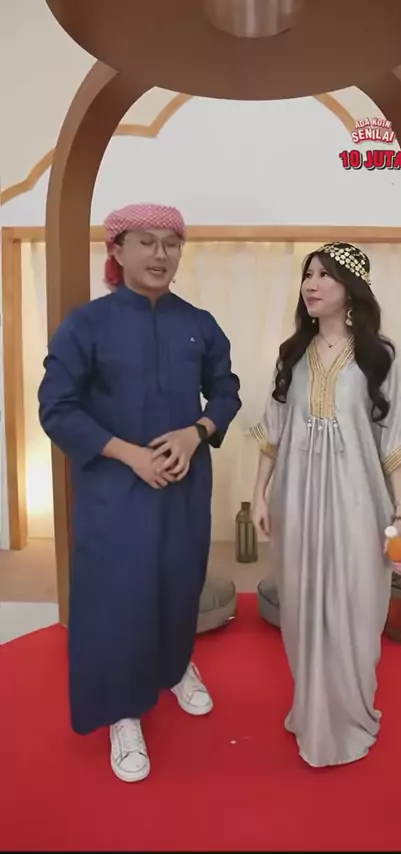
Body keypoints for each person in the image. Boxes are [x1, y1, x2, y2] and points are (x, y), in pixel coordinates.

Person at [38, 203, 241, 782]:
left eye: (171, 243)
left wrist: (196, 432)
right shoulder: (86, 325)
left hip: (182, 486)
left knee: (179, 583)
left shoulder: (199, 323)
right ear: (117, 251)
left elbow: (226, 391)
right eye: (146, 242)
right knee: (117, 599)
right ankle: (122, 713)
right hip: (113, 492)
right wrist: (129, 455)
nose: (160, 254)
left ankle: (175, 669)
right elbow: (56, 408)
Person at [251, 242, 401, 768]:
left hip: (357, 502)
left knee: (355, 601)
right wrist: (259, 493)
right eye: (308, 274)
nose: (312, 284)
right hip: (298, 500)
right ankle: (312, 711)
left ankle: (350, 713)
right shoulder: (292, 355)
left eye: (325, 275)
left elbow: (395, 440)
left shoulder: (380, 357)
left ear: (352, 289)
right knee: (303, 603)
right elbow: (274, 430)